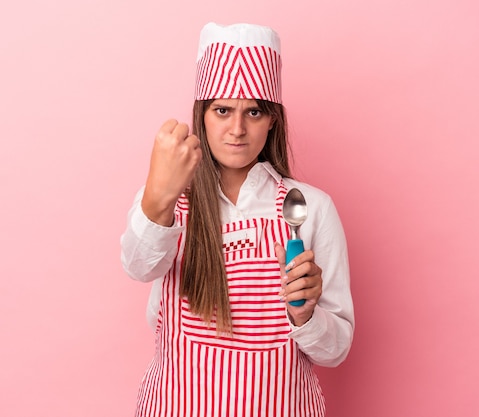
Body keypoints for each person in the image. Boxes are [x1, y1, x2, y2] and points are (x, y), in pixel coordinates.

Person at [120, 22, 354, 417]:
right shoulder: (171, 200)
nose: (237, 129)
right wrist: (159, 195)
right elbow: (137, 267)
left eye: (254, 111)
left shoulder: (310, 208)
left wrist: (306, 315)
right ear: (203, 115)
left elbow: (336, 350)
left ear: (272, 120)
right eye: (223, 110)